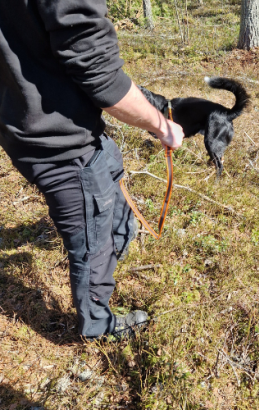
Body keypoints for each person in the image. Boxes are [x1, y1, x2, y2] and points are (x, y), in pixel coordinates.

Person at [0, 0, 184, 340]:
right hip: (59, 144)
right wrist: (162, 125)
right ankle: (97, 326)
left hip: (43, 126)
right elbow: (101, 76)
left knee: (111, 179)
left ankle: (112, 248)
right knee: (90, 246)